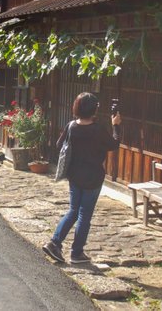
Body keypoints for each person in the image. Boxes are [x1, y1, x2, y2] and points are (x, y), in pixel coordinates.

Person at [43, 92, 121, 264]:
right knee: (84, 215)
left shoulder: (72, 126)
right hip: (93, 177)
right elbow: (114, 144)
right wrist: (116, 126)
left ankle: (54, 242)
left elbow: (58, 145)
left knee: (73, 210)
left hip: (74, 175)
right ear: (94, 110)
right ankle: (76, 253)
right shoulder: (98, 129)